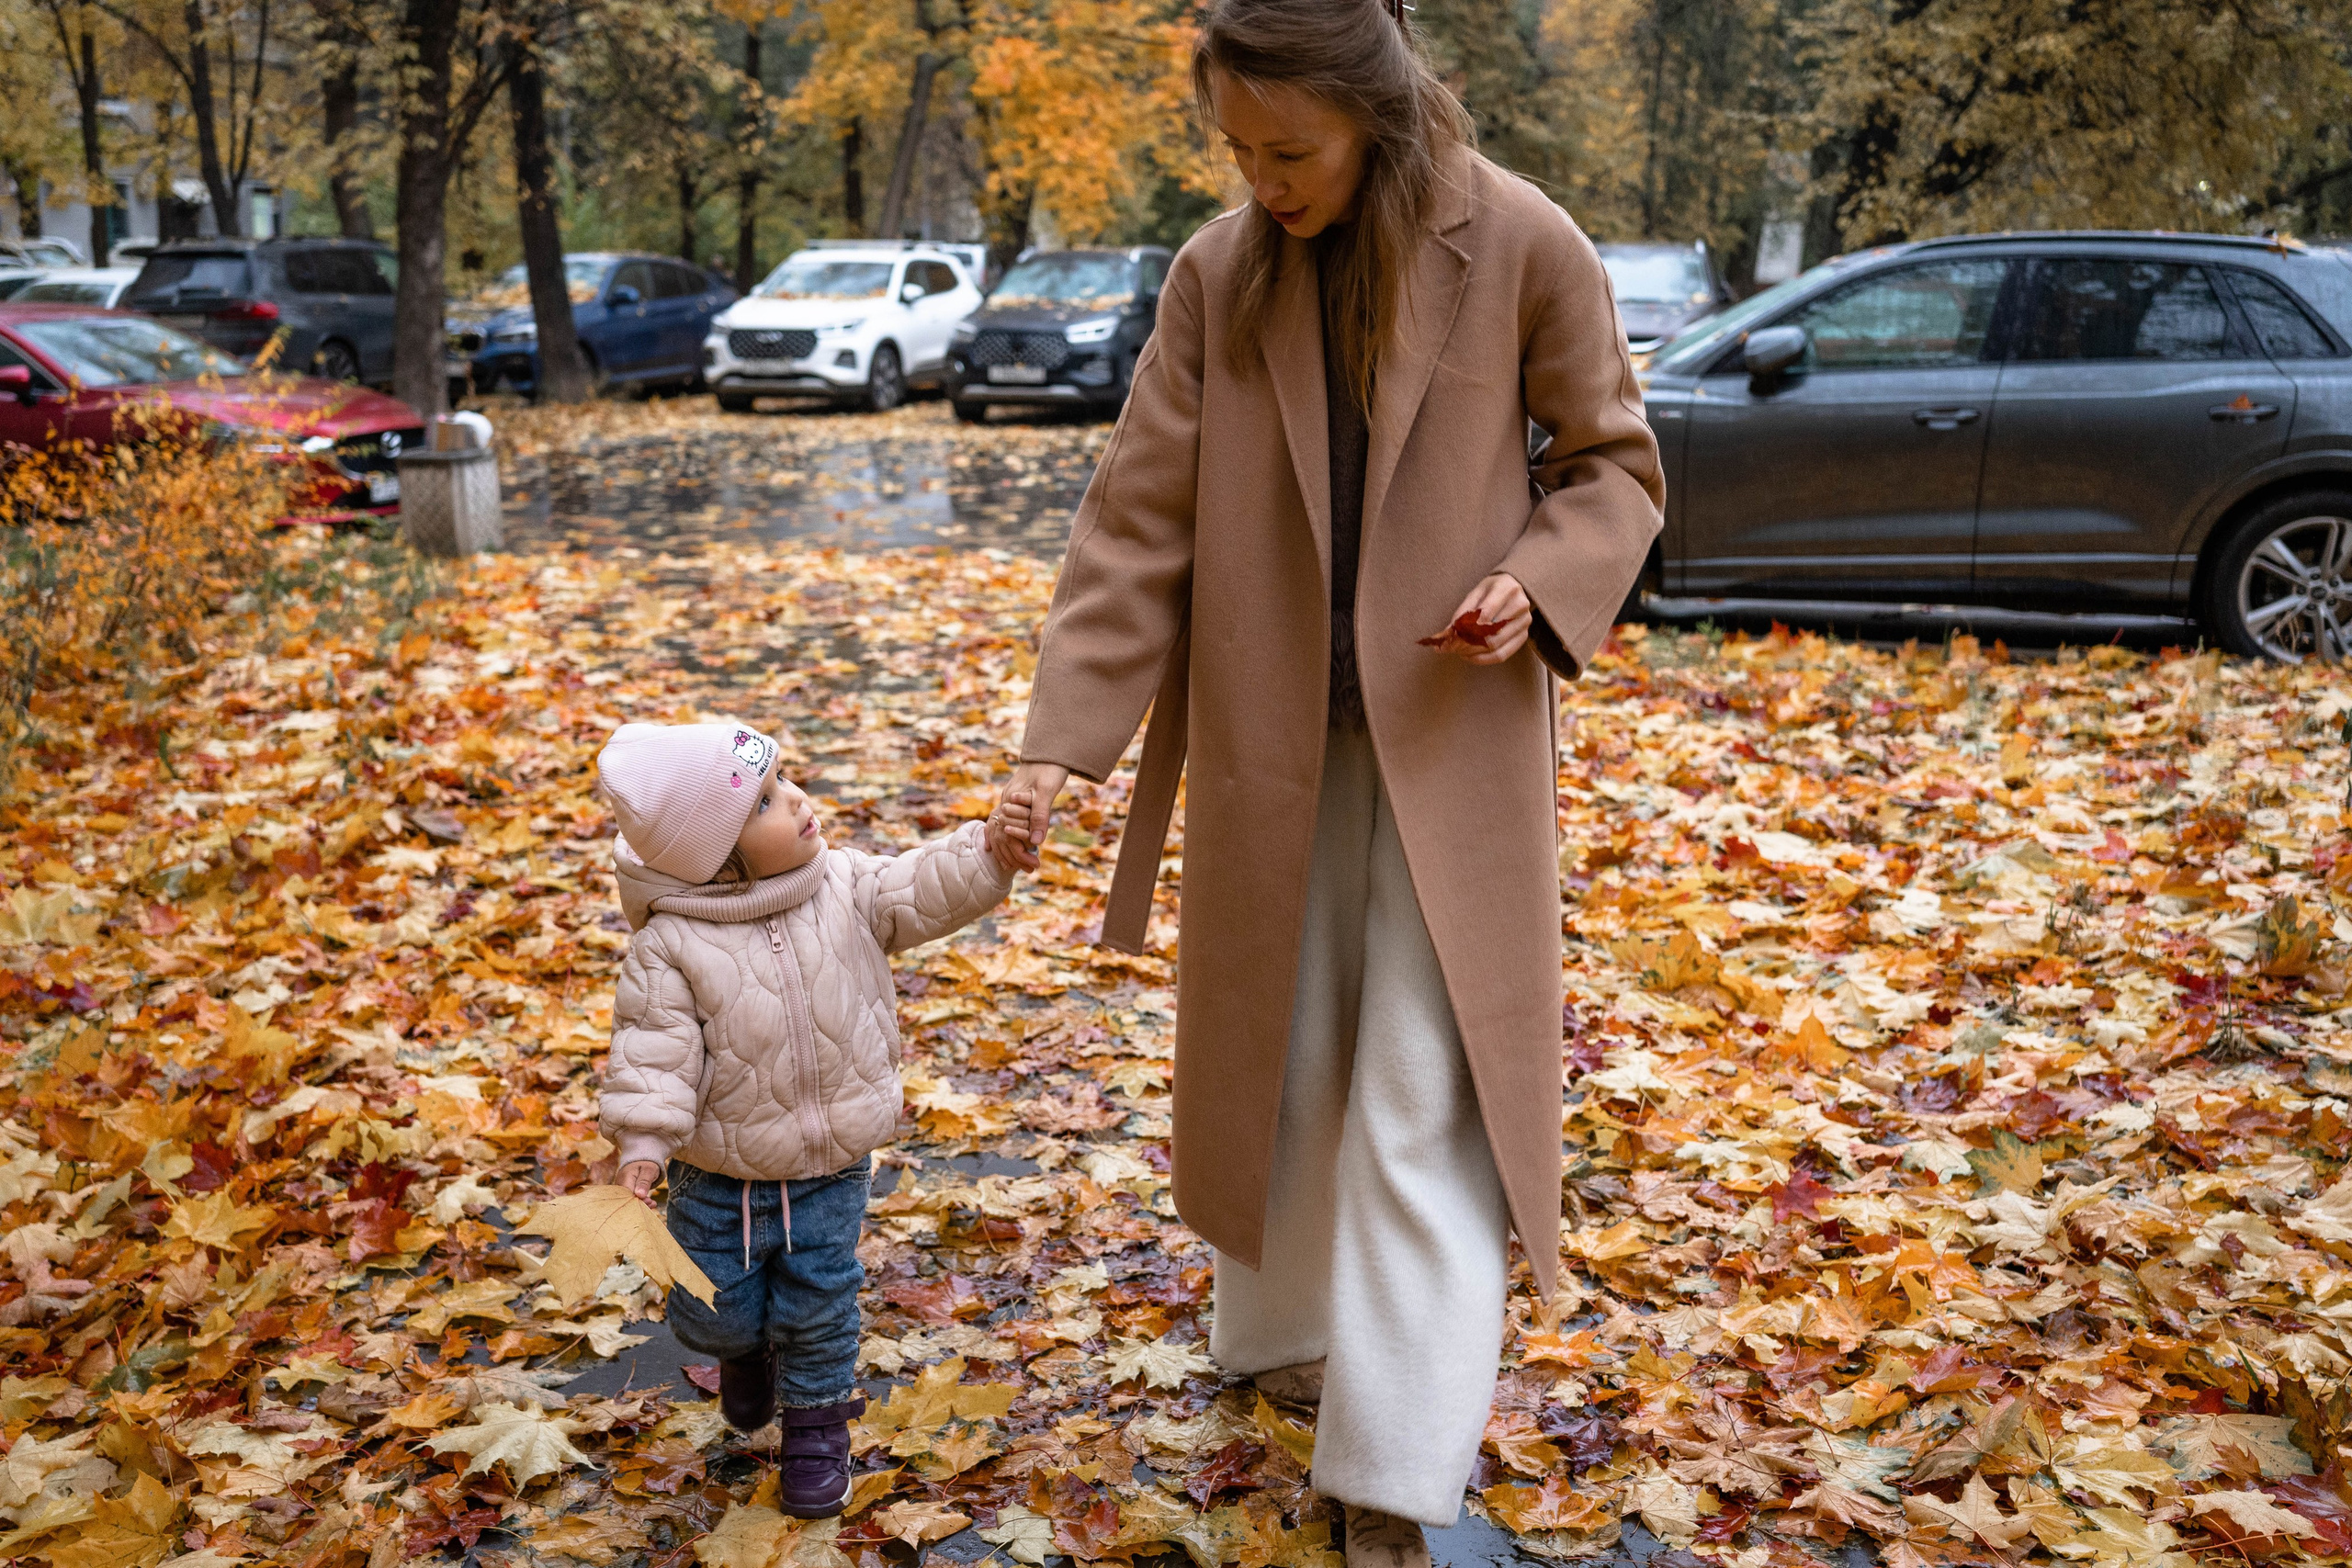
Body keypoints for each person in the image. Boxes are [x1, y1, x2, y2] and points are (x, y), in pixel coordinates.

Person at [992, 0, 1665, 1557]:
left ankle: (1388, 1471)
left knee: (1426, 1096)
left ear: (1382, 110)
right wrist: (1058, 741)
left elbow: (1615, 465)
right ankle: (1279, 1335)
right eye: (1236, 148)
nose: (1262, 180)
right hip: (1267, 743)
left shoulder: (1521, 242)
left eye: (1289, 149)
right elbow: (1137, 517)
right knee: (1278, 1059)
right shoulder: (1222, 274)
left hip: (1452, 740)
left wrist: (1540, 573)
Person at [595, 720, 1031, 1517]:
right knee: (714, 1312)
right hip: (718, 1177)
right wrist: (644, 1146)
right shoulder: (671, 947)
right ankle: (744, 1351)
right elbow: (654, 1054)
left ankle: (818, 1428)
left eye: (785, 779)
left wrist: (989, 850)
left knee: (822, 1302)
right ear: (716, 857)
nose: (796, 800)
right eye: (764, 801)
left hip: (830, 1168)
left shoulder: (847, 885)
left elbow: (922, 884)